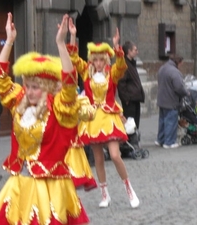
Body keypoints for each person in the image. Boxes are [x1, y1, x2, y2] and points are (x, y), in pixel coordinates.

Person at [0, 13, 95, 225]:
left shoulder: (59, 109)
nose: (29, 91)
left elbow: (70, 84)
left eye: (35, 87)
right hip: (21, 183)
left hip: (50, 186)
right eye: (27, 86)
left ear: (46, 89)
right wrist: (9, 41)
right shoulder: (19, 103)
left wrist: (61, 44)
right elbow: (0, 80)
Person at [67, 18, 140, 208]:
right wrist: (73, 35)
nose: (98, 63)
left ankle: (129, 189)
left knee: (115, 155)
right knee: (98, 158)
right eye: (95, 59)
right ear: (91, 59)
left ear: (106, 59)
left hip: (108, 116)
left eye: (101, 59)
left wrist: (117, 48)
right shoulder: (86, 72)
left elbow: (123, 66)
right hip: (92, 118)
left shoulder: (112, 72)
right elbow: (73, 58)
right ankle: (104, 193)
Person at [155, 54, 189, 149]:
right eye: (181, 63)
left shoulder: (162, 68)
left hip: (162, 99)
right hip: (171, 100)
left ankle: (160, 139)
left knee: (162, 121)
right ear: (178, 62)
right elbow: (179, 87)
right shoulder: (174, 72)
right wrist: (186, 93)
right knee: (171, 121)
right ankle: (169, 142)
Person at [117, 41, 145, 129]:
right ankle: (129, 140)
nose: (137, 52)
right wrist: (126, 99)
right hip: (130, 100)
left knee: (135, 122)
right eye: (135, 50)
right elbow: (121, 83)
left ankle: (134, 139)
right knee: (130, 123)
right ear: (129, 51)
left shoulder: (132, 64)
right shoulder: (125, 65)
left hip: (135, 98)